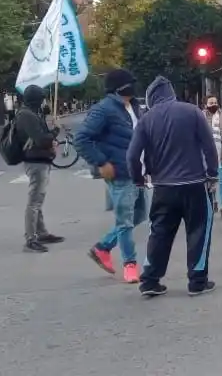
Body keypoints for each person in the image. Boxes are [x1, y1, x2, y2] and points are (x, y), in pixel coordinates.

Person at [127, 76, 218, 297]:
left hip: (163, 187)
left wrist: (138, 179)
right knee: (198, 231)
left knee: (159, 233)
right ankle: (197, 281)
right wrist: (212, 175)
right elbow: (209, 146)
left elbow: (132, 155)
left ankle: (150, 280)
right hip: (195, 183)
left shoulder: (146, 120)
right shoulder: (192, 112)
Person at [74, 69, 149, 284]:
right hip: (119, 171)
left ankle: (103, 247)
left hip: (138, 171)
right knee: (125, 221)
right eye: (130, 83)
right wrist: (101, 162)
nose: (134, 87)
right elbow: (82, 138)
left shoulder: (134, 107)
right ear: (119, 87)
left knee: (138, 216)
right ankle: (130, 265)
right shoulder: (104, 109)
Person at [14, 85, 65, 253]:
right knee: (34, 201)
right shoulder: (27, 115)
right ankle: (30, 238)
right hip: (35, 161)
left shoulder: (31, 113)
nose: (44, 101)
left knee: (38, 199)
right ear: (36, 99)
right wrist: (55, 131)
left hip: (39, 159)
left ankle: (41, 232)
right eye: (42, 98)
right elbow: (41, 140)